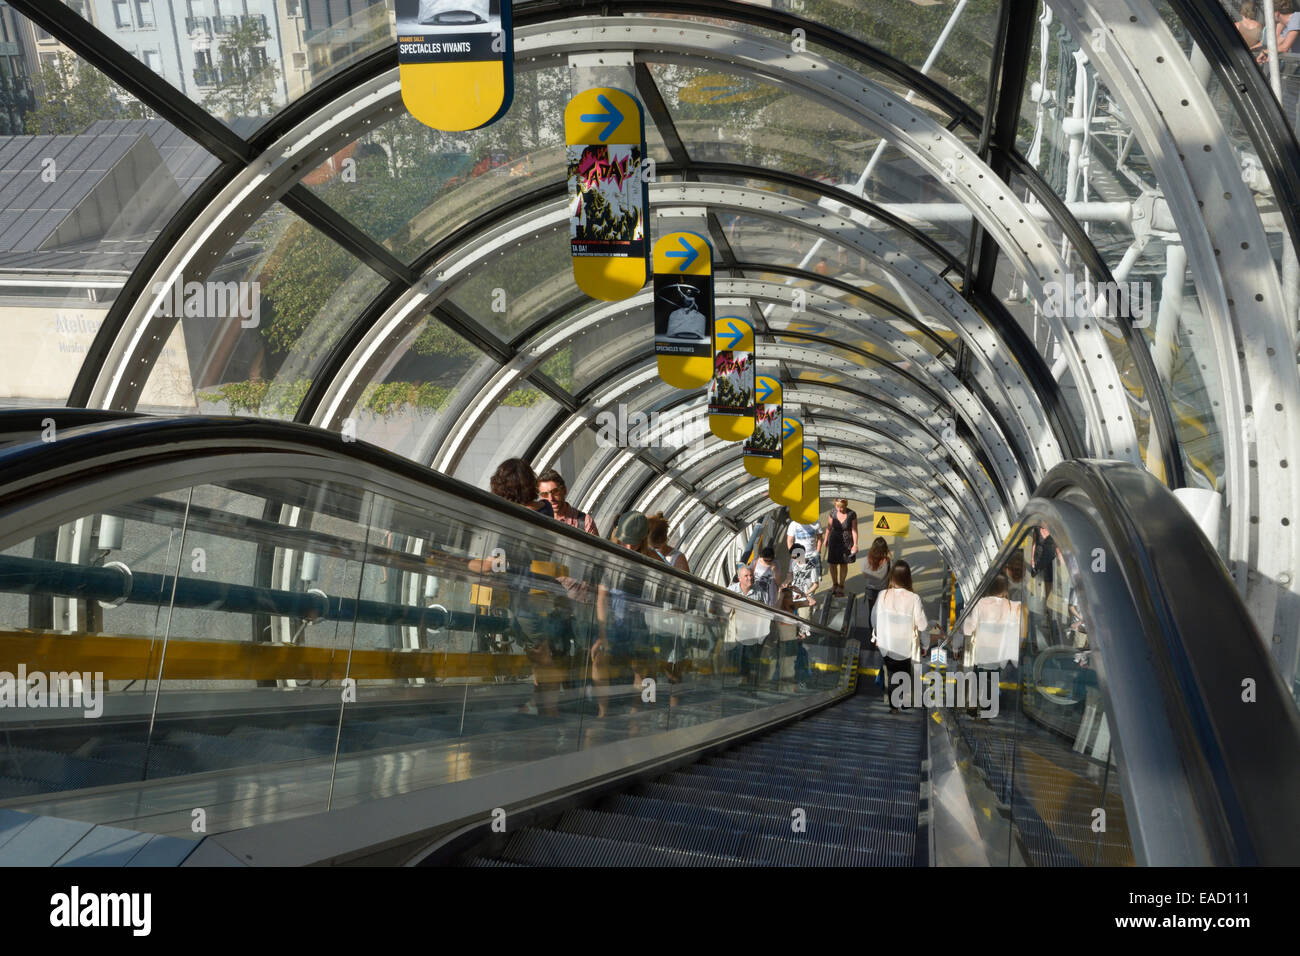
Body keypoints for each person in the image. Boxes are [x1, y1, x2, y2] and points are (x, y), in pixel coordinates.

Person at [592, 512, 654, 717]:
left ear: (643, 540)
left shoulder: (650, 559)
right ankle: (602, 711)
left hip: (636, 620)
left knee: (641, 666)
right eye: (626, 542)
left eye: (634, 543)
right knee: (600, 658)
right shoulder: (611, 556)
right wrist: (602, 632)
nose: (629, 548)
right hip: (613, 619)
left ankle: (636, 709)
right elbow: (602, 597)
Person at [871, 560, 926, 713]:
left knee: (891, 672)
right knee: (905, 673)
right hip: (905, 646)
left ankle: (893, 706)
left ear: (892, 576)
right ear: (908, 577)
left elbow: (874, 618)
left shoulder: (883, 594)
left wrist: (876, 635)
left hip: (886, 645)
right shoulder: (914, 598)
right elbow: (922, 625)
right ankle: (903, 700)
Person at [961, 574, 1022, 694]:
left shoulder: (980, 603)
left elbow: (968, 629)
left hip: (982, 650)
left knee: (980, 678)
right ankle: (993, 698)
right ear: (1005, 590)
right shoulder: (1013, 606)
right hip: (999, 653)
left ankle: (980, 698)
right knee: (994, 677)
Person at [538, 468, 599, 536]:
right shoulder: (537, 520)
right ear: (540, 497)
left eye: (555, 491)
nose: (550, 498)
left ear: (564, 490)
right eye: (545, 494)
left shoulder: (585, 522)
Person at [825, 498, 858, 597]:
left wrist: (855, 544)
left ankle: (841, 585)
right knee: (832, 563)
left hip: (847, 539)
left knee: (844, 563)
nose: (839, 509)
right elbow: (829, 527)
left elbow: (854, 530)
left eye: (841, 507)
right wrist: (826, 539)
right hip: (834, 539)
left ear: (846, 506)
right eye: (837, 507)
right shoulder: (832, 512)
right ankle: (834, 584)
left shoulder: (852, 514)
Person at [859, 536, 892, 617]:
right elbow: (891, 576)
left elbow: (864, 575)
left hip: (871, 591)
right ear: (885, 549)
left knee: (871, 613)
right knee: (882, 613)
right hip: (883, 592)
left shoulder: (867, 560)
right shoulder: (888, 562)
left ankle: (872, 629)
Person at [785, 544, 820, 621]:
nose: (793, 559)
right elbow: (790, 574)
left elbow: (816, 585)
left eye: (794, 557)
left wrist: (804, 594)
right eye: (792, 557)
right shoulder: (792, 562)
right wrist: (786, 582)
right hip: (794, 596)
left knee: (804, 622)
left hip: (805, 599)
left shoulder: (811, 567)